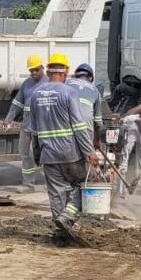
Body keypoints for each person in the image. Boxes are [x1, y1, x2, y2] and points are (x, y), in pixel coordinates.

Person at [29, 53, 99, 245]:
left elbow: (33, 129)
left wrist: (36, 153)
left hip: (48, 154)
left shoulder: (35, 95)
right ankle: (67, 218)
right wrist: (89, 153)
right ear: (66, 72)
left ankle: (60, 234)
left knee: (56, 193)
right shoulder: (69, 93)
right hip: (70, 153)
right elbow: (78, 126)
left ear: (48, 71)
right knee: (82, 184)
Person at [2, 54, 48, 193]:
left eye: (36, 69)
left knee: (45, 156)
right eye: (31, 70)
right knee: (26, 155)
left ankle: (51, 185)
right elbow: (17, 102)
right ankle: (28, 185)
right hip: (27, 126)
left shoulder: (48, 84)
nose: (34, 73)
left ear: (42, 68)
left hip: (42, 128)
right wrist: (8, 118)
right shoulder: (27, 84)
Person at [65, 63, 103, 142]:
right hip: (86, 130)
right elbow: (98, 122)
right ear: (91, 78)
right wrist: (97, 141)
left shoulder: (66, 82)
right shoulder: (95, 90)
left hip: (67, 127)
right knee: (86, 153)